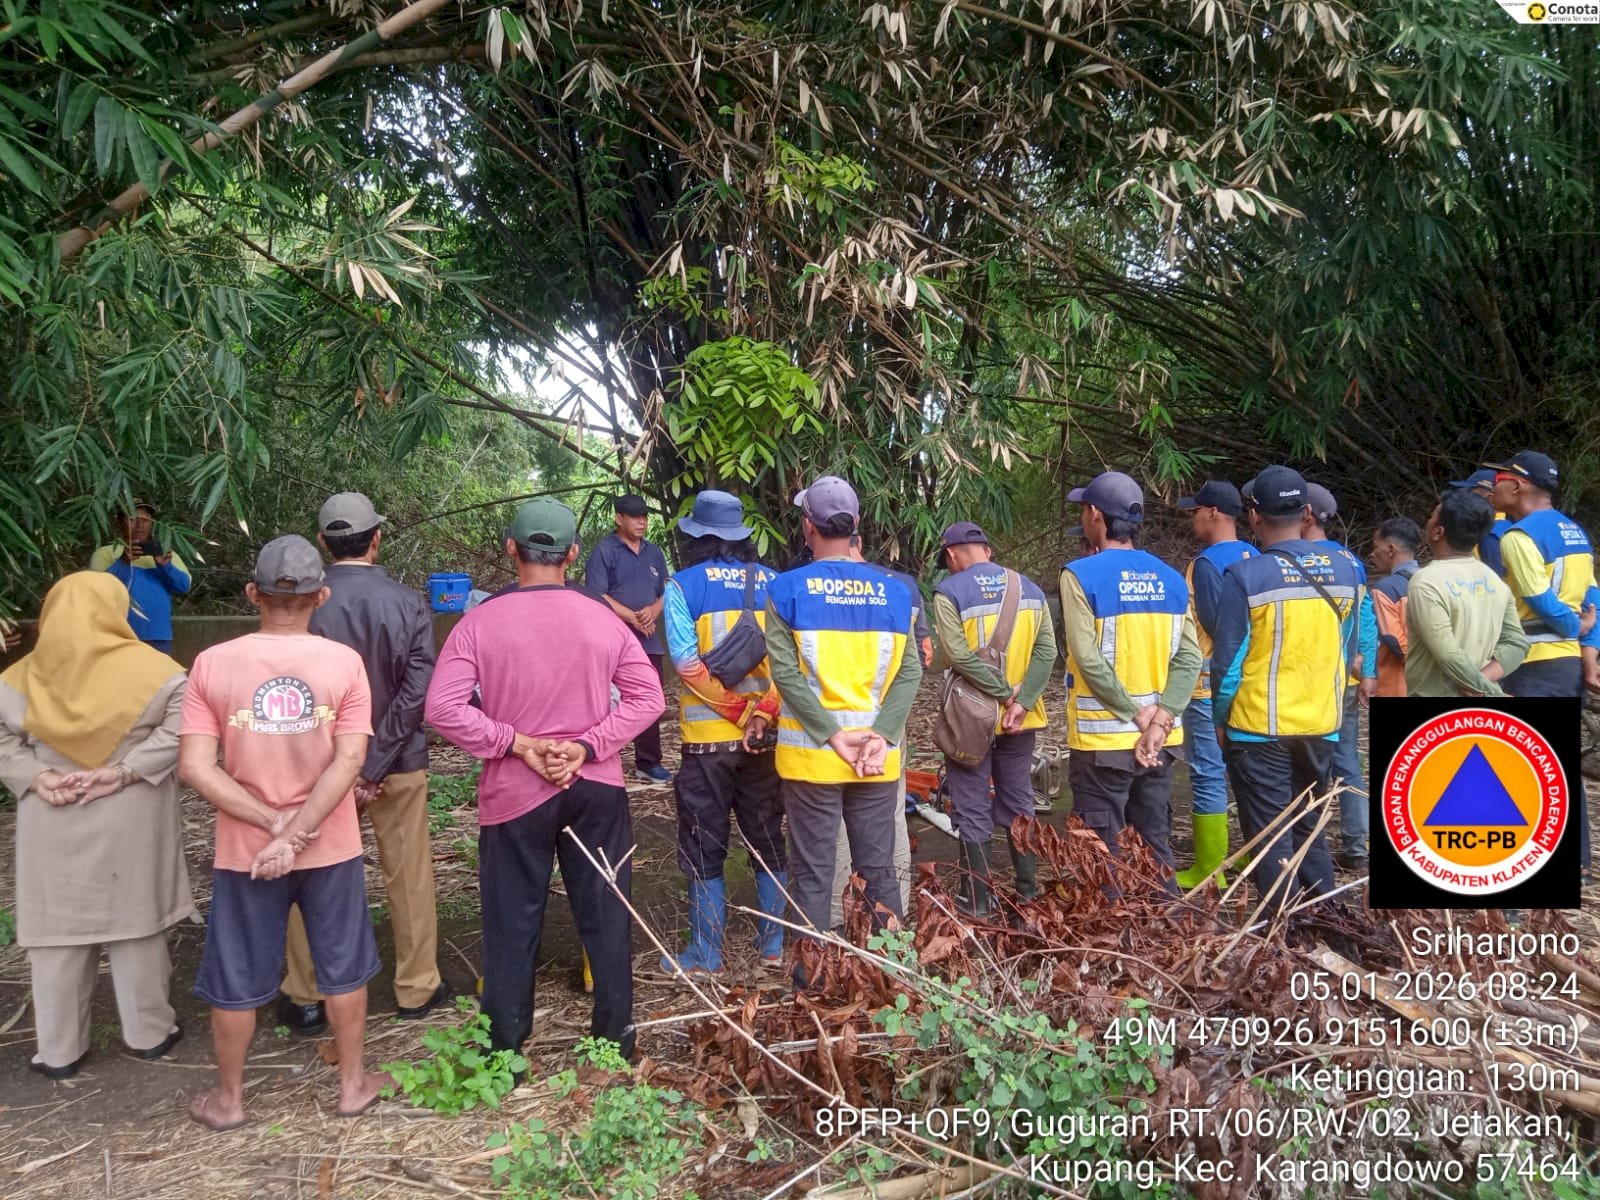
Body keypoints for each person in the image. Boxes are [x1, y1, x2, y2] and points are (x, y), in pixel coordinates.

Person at [426, 499, 664, 1059]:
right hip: (595, 787)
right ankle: (615, 1040)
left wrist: (518, 744)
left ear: (511, 550)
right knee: (607, 914)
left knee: (511, 920)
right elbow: (648, 697)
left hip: (514, 795)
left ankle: (506, 1053)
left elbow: (443, 709)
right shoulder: (603, 619)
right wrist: (587, 746)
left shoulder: (478, 622)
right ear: (574, 555)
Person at [179, 535, 386, 1129]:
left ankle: (229, 1100)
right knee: (342, 967)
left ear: (253, 594)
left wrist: (272, 825)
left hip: (245, 849)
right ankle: (351, 1086)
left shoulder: (212, 663)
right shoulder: (343, 662)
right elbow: (349, 762)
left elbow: (195, 766)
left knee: (237, 973)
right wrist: (296, 833)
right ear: (322, 596)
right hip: (331, 842)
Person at [0, 573, 191, 1079]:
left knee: (56, 933)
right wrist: (126, 769)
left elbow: (3, 741)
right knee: (136, 924)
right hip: (128, 810)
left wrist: (38, 778)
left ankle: (59, 1049)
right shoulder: (159, 672)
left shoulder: (18, 678)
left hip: (52, 814)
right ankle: (149, 1032)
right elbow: (181, 729)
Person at [277, 493, 447, 1036]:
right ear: (377, 539)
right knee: (409, 875)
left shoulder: (304, 608)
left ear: (323, 543)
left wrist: (342, 768)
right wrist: (373, 764)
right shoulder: (407, 602)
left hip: (315, 771)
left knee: (306, 875)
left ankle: (305, 994)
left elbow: (295, 695)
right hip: (397, 764)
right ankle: (417, 988)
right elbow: (417, 689)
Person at [766, 475, 921, 957]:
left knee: (812, 872)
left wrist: (832, 736)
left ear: (807, 527)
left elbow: (786, 676)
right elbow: (910, 671)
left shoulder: (785, 590)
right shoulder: (896, 592)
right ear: (855, 525)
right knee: (879, 873)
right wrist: (882, 734)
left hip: (813, 760)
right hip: (876, 758)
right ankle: (890, 978)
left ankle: (810, 983)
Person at [1212, 467, 1362, 913]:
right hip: (1322, 726)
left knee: (1270, 836)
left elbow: (1229, 663)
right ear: (1307, 512)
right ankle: (1327, 922)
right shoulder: (1347, 570)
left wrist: (1222, 719)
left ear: (1254, 516)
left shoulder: (1246, 576)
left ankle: (1282, 934)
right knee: (1307, 826)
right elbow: (1348, 648)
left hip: (1260, 729)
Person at [658, 490, 786, 975]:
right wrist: (761, 714)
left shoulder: (681, 585)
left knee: (703, 842)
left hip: (708, 743)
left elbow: (688, 665)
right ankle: (773, 945)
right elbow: (790, 666)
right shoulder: (775, 584)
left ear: (697, 537)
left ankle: (706, 953)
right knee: (768, 836)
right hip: (765, 739)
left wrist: (735, 712)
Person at [1060, 472, 1200, 876]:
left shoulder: (1080, 575)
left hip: (1103, 743)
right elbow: (1190, 659)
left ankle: (1112, 937)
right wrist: (1161, 719)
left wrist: (1136, 714)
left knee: (1102, 853)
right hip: (1161, 742)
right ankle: (1169, 930)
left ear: (1094, 515)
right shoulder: (1170, 577)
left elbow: (1088, 659)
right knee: (1155, 844)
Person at [930, 521, 1058, 915]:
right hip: (1020, 721)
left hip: (971, 718)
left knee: (970, 803)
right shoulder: (1031, 590)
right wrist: (1023, 699)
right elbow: (1047, 652)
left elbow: (957, 655)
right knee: (1020, 800)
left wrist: (1001, 694)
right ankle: (1027, 895)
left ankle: (978, 902)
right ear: (986, 549)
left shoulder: (949, 591)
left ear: (952, 555)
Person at [1484, 451, 1599, 874]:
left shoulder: (1518, 537)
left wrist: (1571, 625)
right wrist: (1589, 650)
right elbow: (1594, 597)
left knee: (1527, 765)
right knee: (1560, 763)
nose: (1493, 487)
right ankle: (1581, 861)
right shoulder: (1575, 532)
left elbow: (1538, 599)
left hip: (1534, 661)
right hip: (1567, 665)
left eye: (1499, 478)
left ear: (1518, 486)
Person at [826, 533, 931, 927]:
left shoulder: (808, 586)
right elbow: (917, 660)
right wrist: (886, 729)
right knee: (890, 818)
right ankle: (892, 921)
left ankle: (838, 922)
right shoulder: (899, 587)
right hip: (885, 725)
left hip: (831, 731)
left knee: (835, 825)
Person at [1174, 481, 1254, 888]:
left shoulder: (1207, 563)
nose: (1193, 518)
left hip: (1210, 681)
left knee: (1207, 770)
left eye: (1196, 510)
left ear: (1213, 513)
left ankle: (1210, 866)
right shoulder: (1259, 556)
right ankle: (1252, 857)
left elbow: (1214, 626)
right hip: (1253, 681)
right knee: (1247, 769)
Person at [1303, 483, 1377, 872]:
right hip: (1342, 682)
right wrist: (1368, 671)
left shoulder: (1285, 559)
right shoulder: (1350, 561)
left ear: (1306, 516)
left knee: (1297, 764)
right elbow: (1365, 617)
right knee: (1347, 761)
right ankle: (1356, 846)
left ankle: (1301, 843)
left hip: (1301, 683)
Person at [584, 494, 672, 784]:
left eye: (645, 516)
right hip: (612, 640)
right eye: (635, 516)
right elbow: (597, 595)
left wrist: (652, 611)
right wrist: (633, 617)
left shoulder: (654, 553)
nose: (642, 521)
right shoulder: (604, 551)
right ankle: (598, 755)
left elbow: (666, 591)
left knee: (650, 699)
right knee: (603, 701)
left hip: (648, 641)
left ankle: (648, 761)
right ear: (618, 518)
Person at [1405, 489, 1528, 697]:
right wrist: (1482, 681)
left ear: (1438, 532)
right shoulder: (1494, 580)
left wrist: (1488, 691)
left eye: (1433, 516)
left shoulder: (1426, 581)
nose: (1429, 520)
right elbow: (1518, 644)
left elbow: (1449, 656)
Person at [89, 502, 192, 654]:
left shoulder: (166, 554)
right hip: (118, 637)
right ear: (120, 522)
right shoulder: (105, 553)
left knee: (160, 678)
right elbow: (98, 591)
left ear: (152, 524)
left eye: (145, 520)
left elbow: (184, 586)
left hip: (159, 637)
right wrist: (123, 562)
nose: (139, 525)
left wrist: (166, 566)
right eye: (132, 519)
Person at [1369, 516, 1422, 698]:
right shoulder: (1433, 580)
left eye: (1376, 546)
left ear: (1391, 549)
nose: (1372, 553)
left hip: (1397, 686)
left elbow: (1395, 641)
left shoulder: (1386, 589)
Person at [1449, 469, 1510, 575]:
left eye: (1470, 493)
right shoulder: (1507, 523)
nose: (1465, 497)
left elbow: (1494, 579)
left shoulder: (1490, 532)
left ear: (1489, 498)